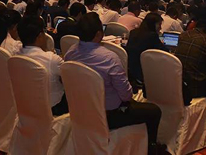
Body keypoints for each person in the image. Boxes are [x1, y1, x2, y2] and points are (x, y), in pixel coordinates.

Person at [64, 13, 163, 155]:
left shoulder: (71, 52)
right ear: (99, 34)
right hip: (108, 115)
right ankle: (151, 149)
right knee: (154, 111)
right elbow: (126, 95)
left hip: (80, 109)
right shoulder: (109, 58)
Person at [17, 15, 68, 115]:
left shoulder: (15, 57)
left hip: (24, 105)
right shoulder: (51, 59)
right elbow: (69, 78)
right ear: (40, 36)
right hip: (53, 107)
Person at [126, 13, 168, 86]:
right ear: (153, 24)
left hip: (130, 70)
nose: (160, 28)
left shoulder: (133, 32)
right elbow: (165, 52)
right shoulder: (152, 36)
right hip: (143, 72)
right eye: (159, 24)